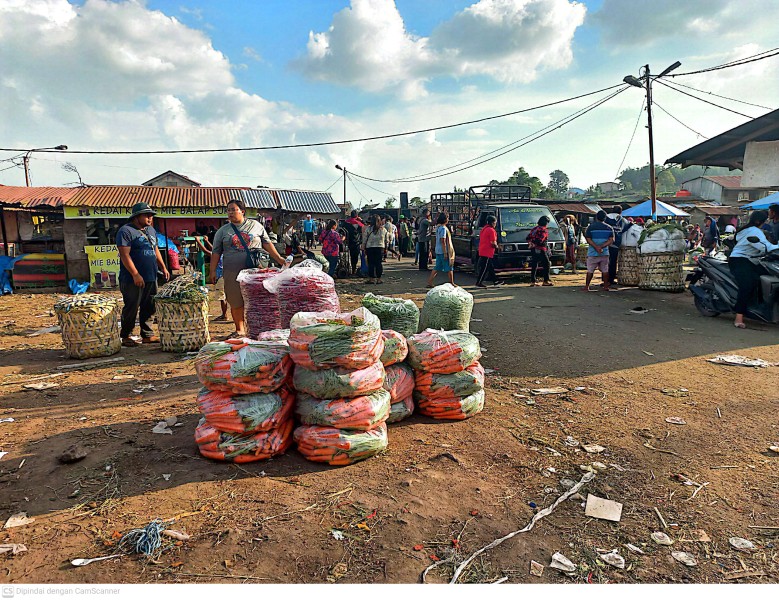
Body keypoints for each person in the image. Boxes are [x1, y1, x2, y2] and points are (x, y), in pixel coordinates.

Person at [209, 199, 285, 338]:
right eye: (228, 210)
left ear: (242, 211)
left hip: (255, 272)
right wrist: (212, 270)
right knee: (235, 299)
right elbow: (216, 252)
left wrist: (279, 259)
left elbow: (267, 244)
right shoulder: (222, 231)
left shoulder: (256, 226)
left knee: (258, 299)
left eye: (233, 209)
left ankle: (259, 327)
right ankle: (240, 329)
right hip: (232, 271)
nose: (230, 213)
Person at [116, 202, 170, 347]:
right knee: (132, 306)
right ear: (136, 216)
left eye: (151, 216)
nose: (150, 218)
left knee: (150, 305)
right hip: (131, 278)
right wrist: (135, 274)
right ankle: (126, 335)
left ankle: (147, 335)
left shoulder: (151, 230)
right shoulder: (125, 231)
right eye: (146, 215)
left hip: (151, 275)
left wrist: (163, 267)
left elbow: (155, 249)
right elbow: (124, 255)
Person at [729, 210, 779, 329]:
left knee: (763, 279)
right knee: (747, 284)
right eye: (766, 218)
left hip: (754, 260)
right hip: (740, 260)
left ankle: (759, 307)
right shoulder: (753, 231)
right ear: (759, 221)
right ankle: (739, 317)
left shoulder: (754, 230)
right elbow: (764, 246)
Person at [583, 210, 614, 292]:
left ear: (596, 217)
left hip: (593, 253)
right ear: (605, 218)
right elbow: (611, 240)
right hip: (604, 252)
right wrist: (602, 246)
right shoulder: (609, 228)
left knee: (590, 270)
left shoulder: (591, 227)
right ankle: (606, 286)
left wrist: (596, 247)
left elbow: (588, 239)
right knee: (605, 270)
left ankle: (587, 286)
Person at [362, 214, 397, 284]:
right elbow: (387, 240)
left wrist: (363, 248)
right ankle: (379, 279)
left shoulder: (368, 229)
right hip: (380, 248)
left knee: (371, 264)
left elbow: (364, 239)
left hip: (370, 248)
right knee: (378, 263)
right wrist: (386, 248)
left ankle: (371, 279)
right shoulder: (383, 230)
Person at [604, 207, 631, 288]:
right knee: (613, 262)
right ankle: (611, 279)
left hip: (605, 243)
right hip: (615, 243)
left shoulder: (606, 217)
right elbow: (626, 226)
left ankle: (604, 279)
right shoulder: (621, 219)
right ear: (621, 212)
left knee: (605, 261)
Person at [427, 213, 455, 288]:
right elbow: (443, 240)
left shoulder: (438, 227)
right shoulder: (443, 228)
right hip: (443, 251)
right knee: (449, 267)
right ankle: (451, 283)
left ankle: (430, 282)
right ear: (445, 219)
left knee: (437, 267)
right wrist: (445, 253)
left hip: (438, 250)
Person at [475, 215, 503, 287]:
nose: (495, 224)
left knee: (490, 267)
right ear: (493, 222)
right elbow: (493, 242)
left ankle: (495, 281)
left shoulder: (484, 229)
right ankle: (479, 282)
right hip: (487, 251)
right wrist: (498, 247)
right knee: (484, 268)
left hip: (482, 250)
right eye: (495, 222)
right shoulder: (491, 230)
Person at [527, 216, 553, 287]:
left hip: (533, 248)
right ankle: (546, 280)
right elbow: (540, 240)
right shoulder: (543, 230)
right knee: (546, 264)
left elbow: (528, 237)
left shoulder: (535, 229)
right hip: (541, 249)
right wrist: (535, 243)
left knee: (534, 264)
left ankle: (533, 281)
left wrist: (531, 243)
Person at [344, 210, 364, 276]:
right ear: (357, 216)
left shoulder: (346, 222)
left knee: (351, 255)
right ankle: (353, 269)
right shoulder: (359, 223)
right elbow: (364, 227)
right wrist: (361, 220)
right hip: (357, 242)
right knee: (355, 257)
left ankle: (352, 269)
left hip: (349, 242)